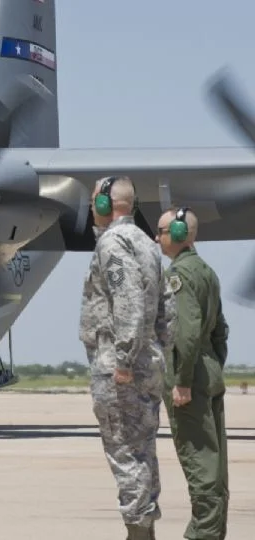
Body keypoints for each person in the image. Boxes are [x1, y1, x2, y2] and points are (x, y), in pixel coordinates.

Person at [79, 175, 175, 540]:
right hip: (147, 363)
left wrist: (123, 361)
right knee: (143, 452)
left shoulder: (112, 243)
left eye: (93, 201)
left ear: (106, 205)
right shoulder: (149, 245)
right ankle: (143, 529)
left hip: (121, 369)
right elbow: (167, 309)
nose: (91, 208)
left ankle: (138, 534)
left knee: (126, 454)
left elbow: (130, 302)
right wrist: (157, 353)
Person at [156, 206, 230, 540]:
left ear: (178, 235)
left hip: (190, 376)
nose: (157, 237)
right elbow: (220, 331)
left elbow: (185, 333)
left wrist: (183, 381)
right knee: (215, 465)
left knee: (199, 463)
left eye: (160, 231)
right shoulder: (207, 272)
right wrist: (212, 367)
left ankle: (202, 534)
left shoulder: (179, 275)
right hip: (209, 371)